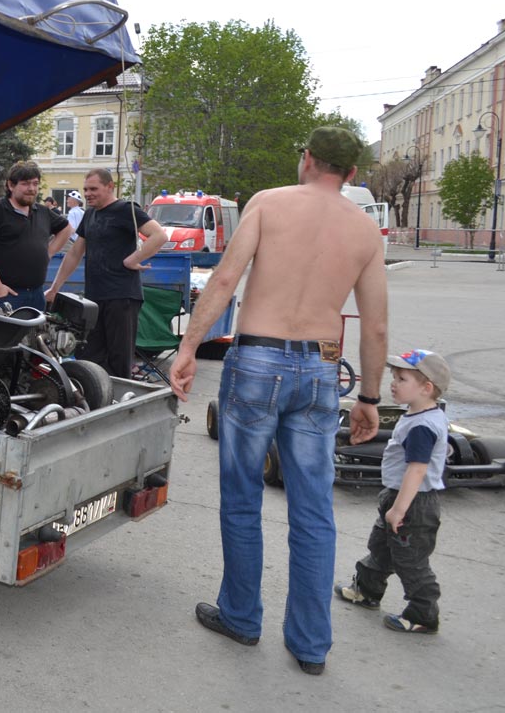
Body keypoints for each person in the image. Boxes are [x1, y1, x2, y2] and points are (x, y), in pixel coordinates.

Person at [167, 127, 389, 676]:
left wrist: (188, 348)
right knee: (313, 511)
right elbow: (376, 327)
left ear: (307, 159)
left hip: (257, 363)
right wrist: (369, 397)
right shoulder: (365, 230)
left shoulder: (268, 204)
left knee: (242, 497)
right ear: (352, 174)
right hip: (320, 368)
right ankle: (311, 645)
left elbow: (224, 280)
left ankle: (241, 617)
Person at [335, 349, 450, 635]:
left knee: (411, 560)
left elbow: (417, 470)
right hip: (399, 496)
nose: (393, 384)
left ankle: (423, 613)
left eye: (402, 379)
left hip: (413, 503)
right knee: (381, 546)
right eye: (394, 377)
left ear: (426, 388)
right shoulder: (419, 414)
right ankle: (367, 590)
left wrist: (398, 509)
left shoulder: (422, 426)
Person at [44, 168, 167, 378]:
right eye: (85, 189)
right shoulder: (90, 214)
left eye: (93, 189)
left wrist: (133, 259)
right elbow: (74, 253)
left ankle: (118, 397)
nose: (88, 194)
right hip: (94, 297)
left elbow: (159, 235)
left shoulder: (126, 209)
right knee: (89, 358)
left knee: (119, 360)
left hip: (122, 296)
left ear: (110, 186)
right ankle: (94, 395)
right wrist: (54, 288)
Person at [0, 160, 72, 311]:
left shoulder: (42, 212)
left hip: (36, 294)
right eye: (25, 183)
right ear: (11, 185)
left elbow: (67, 229)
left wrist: (48, 252)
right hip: (5, 295)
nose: (31, 189)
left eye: (35, 183)